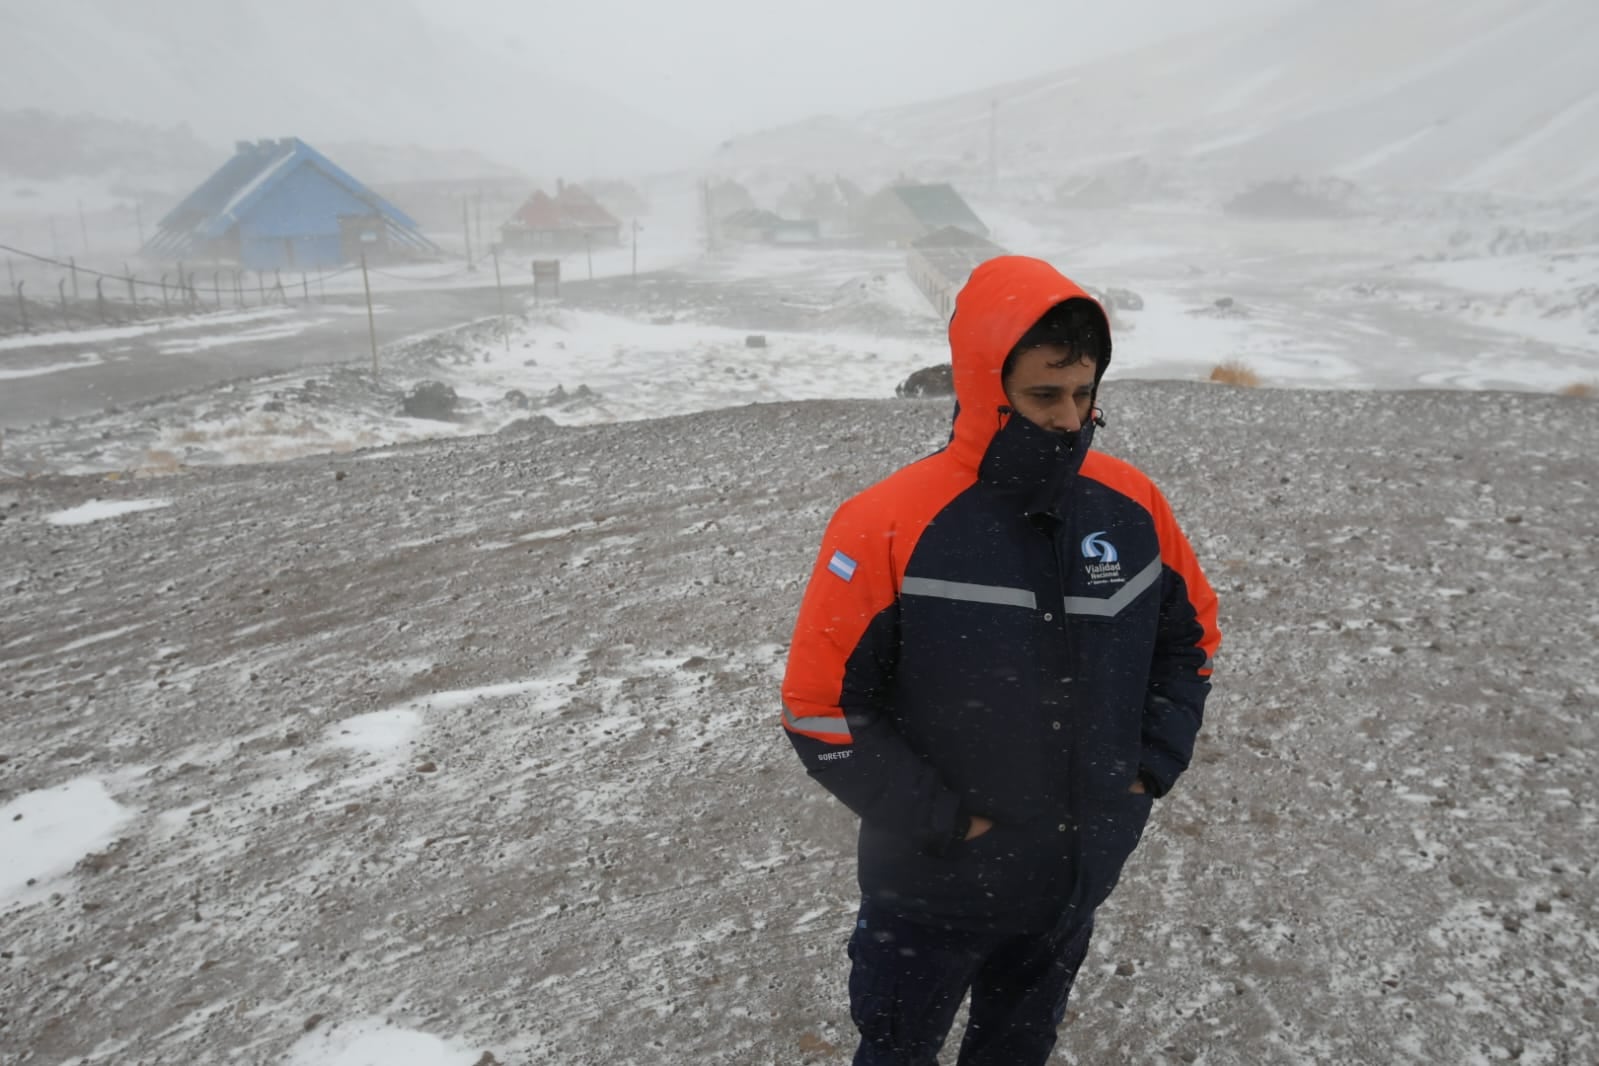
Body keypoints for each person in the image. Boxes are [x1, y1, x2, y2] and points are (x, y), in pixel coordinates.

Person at [779, 255, 1221, 1065]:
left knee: (1017, 1050)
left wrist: (1146, 768)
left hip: (1070, 880)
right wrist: (950, 825)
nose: (1068, 417)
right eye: (1043, 395)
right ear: (987, 386)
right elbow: (819, 707)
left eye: (1084, 394)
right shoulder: (885, 523)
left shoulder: (1131, 506)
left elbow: (1189, 640)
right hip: (928, 892)